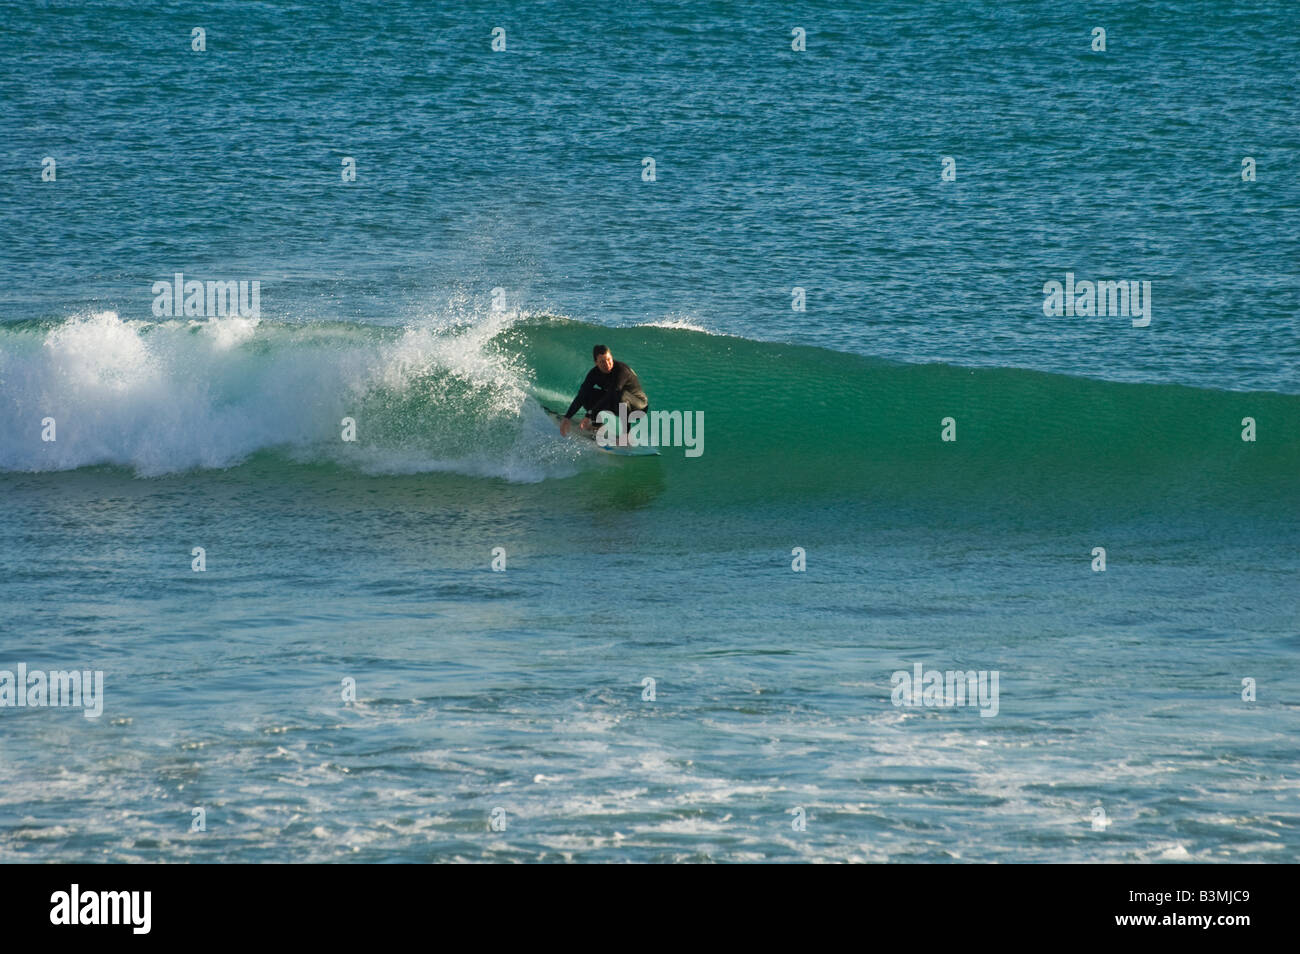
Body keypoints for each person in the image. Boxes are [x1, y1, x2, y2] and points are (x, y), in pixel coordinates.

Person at [560, 345, 649, 440]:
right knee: (587, 394)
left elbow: (614, 393)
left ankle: (626, 435)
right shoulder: (594, 373)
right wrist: (567, 417)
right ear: (596, 363)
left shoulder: (621, 370)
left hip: (638, 407)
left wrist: (589, 415)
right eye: (602, 362)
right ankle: (597, 426)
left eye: (608, 359)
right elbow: (581, 394)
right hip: (616, 403)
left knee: (619, 395)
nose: (607, 364)